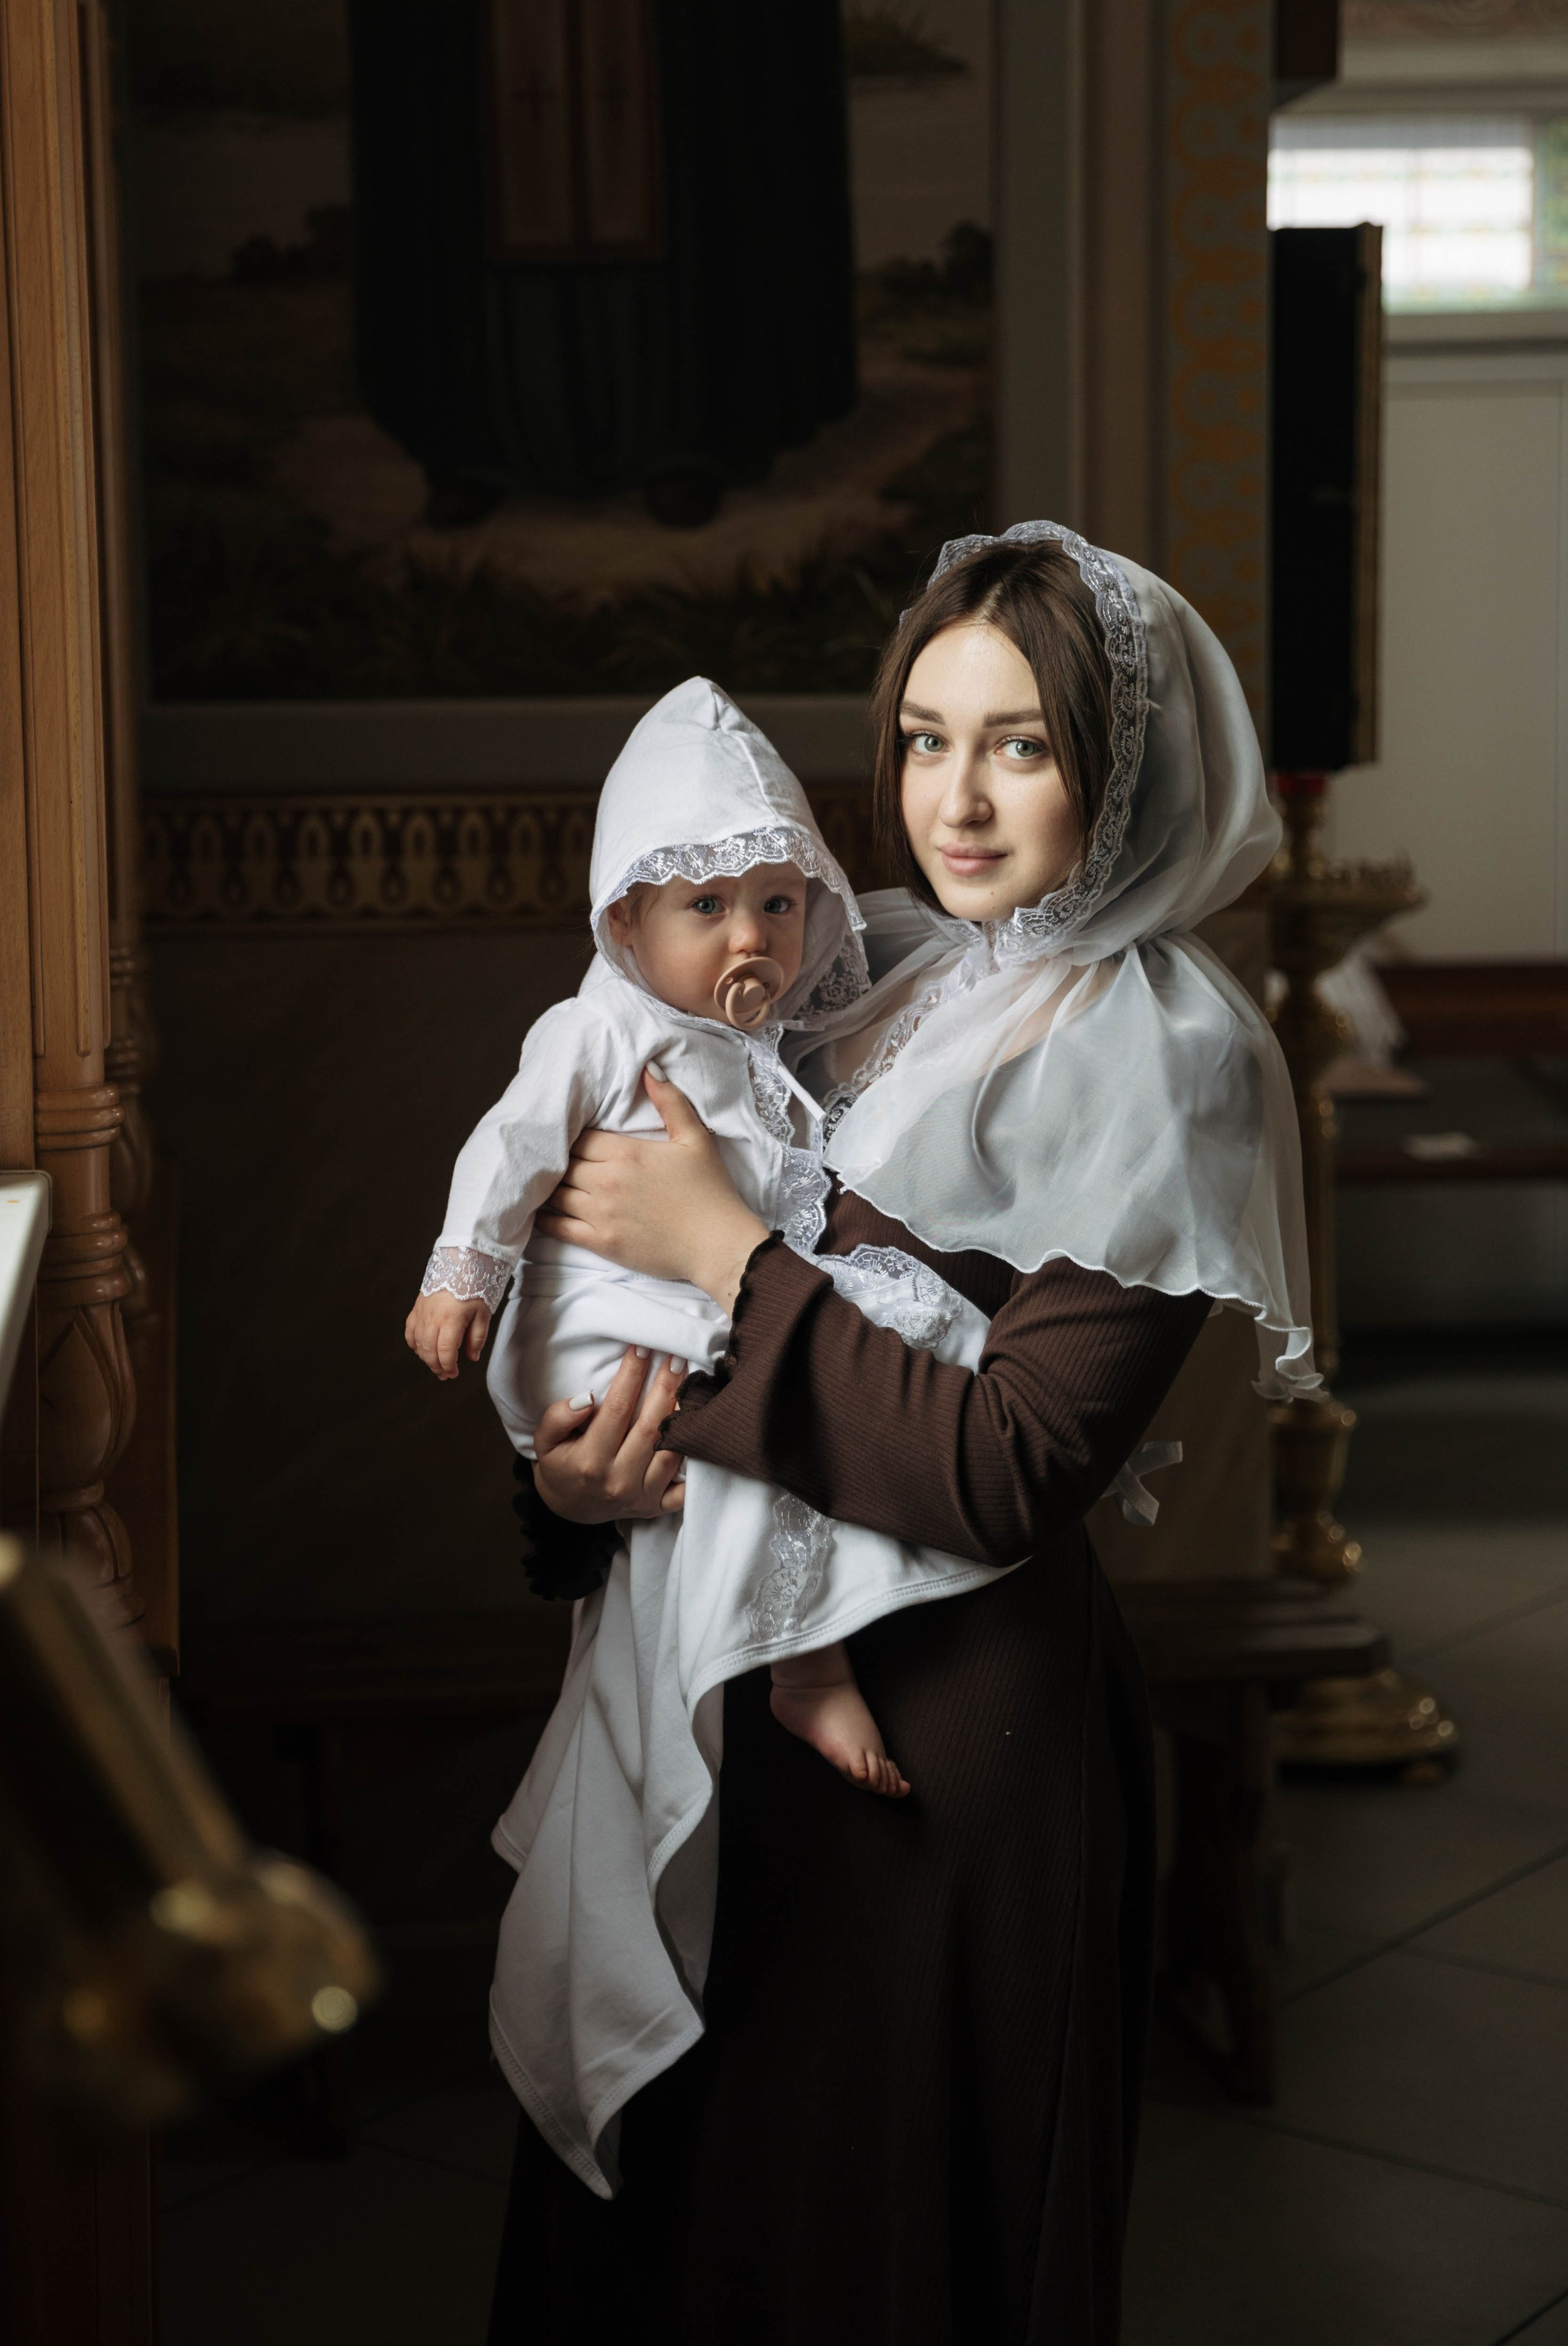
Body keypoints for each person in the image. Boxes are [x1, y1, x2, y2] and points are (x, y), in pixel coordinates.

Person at [487, 524, 1316, 2345]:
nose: (954, 794)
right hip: (727, 1693)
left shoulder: (1155, 1058)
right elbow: (637, 1320)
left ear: (1121, 764)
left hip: (944, 1765)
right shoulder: (882, 980)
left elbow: (1010, 1461)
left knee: (864, 2250)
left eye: (1018, 742)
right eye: (925, 735)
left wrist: (716, 1242)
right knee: (676, 2241)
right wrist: (567, 1483)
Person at [407, 678, 1043, 2195]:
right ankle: (804, 1670)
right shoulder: (599, 1027)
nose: (749, 939)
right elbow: (504, 1159)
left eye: (775, 902)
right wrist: (461, 1278)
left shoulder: (798, 1035)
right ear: (624, 922)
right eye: (708, 905)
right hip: (618, 1329)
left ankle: (801, 1666)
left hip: (720, 1348)